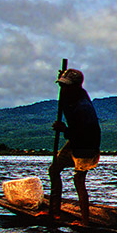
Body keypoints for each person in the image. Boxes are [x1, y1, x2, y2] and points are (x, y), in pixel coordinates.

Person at [49, 67, 101, 222]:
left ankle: (85, 221)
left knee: (78, 180)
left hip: (87, 146)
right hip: (74, 141)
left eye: (67, 86)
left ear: (76, 87)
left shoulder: (83, 108)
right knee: (54, 170)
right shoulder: (70, 93)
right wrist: (62, 79)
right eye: (62, 85)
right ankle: (55, 212)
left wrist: (64, 129)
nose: (63, 89)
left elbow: (83, 133)